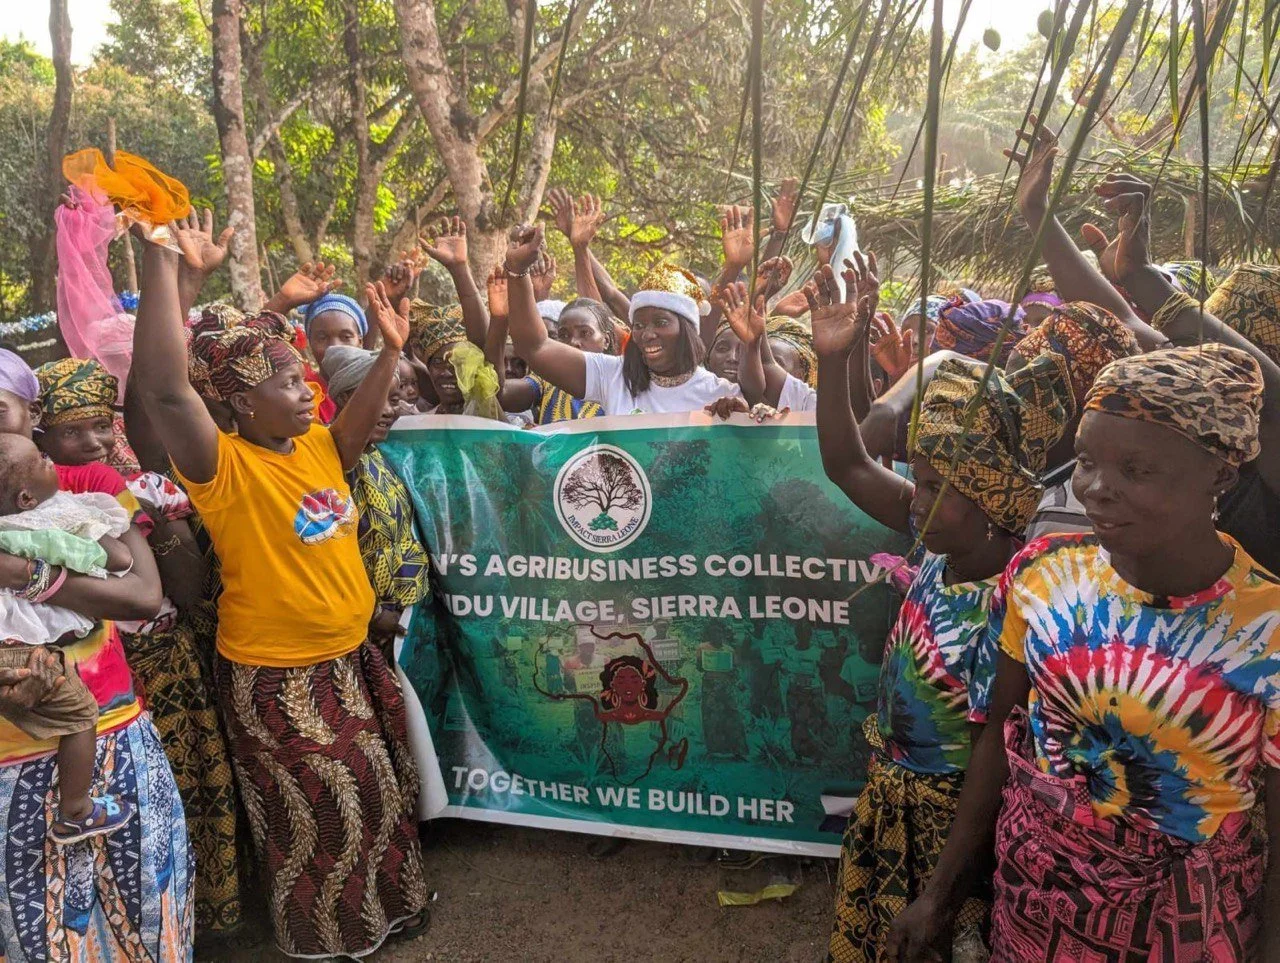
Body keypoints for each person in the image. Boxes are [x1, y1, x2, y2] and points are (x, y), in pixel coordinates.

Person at [887, 345, 1280, 962]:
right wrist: (941, 894)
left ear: (1221, 475)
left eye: (1137, 470)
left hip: (1182, 922)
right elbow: (997, 736)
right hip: (1033, 896)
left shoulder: (1268, 628)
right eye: (1087, 461)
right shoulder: (1041, 572)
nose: (1097, 489)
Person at [131, 228, 428, 958]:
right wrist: (160, 260)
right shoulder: (223, 468)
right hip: (278, 677)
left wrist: (391, 347)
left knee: (381, 799)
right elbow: (166, 388)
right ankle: (324, 937)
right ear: (241, 405)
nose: (310, 391)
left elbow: (355, 417)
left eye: (307, 380)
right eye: (291, 383)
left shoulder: (320, 446)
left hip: (347, 661)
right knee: (318, 814)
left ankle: (391, 912)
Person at [810, 259, 1071, 962]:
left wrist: (945, 889)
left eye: (933, 485)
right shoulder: (937, 540)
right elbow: (845, 462)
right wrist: (834, 362)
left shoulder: (1018, 593)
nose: (914, 499)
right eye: (917, 481)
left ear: (991, 498)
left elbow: (995, 753)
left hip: (957, 831)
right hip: (891, 802)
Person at [36, 352, 244, 937]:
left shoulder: (136, 488)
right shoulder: (34, 507)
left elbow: (189, 591)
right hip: (95, 681)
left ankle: (205, 917)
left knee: (189, 786)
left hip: (166, 662)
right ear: (39, 434)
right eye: (71, 430)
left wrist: (163, 522)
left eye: (101, 424)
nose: (94, 441)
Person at [0, 348, 191, 960]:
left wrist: (22, 573)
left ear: (32, 414)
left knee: (147, 914)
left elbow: (141, 593)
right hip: (9, 766)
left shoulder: (82, 489)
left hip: (113, 734)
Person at [0, 433, 137, 842]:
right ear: (26, 499)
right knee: (80, 715)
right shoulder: (37, 532)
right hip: (22, 653)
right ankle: (75, 810)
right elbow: (119, 559)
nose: (50, 458)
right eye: (42, 460)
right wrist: (94, 544)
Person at [505, 224, 741, 416]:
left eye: (660, 322)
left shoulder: (719, 394)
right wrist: (518, 270)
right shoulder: (613, 376)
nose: (647, 334)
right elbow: (534, 347)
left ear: (687, 328)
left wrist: (738, 418)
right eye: (639, 325)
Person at [488, 264, 617, 423]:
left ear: (606, 340)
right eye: (564, 335)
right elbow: (498, 394)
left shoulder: (622, 381)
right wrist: (500, 319)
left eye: (585, 333)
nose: (573, 342)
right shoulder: (547, 381)